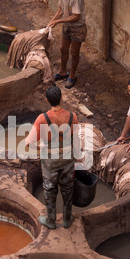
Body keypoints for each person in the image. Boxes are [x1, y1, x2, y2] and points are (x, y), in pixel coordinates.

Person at [25, 85, 81, 229]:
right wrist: (78, 155)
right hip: (68, 157)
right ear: (61, 98)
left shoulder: (42, 119)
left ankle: (51, 220)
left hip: (50, 160)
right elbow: (76, 139)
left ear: (47, 100)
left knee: (50, 189)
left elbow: (28, 143)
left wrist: (41, 148)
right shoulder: (72, 116)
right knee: (68, 187)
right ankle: (67, 218)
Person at [48, 0, 87, 89]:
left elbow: (76, 16)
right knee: (63, 49)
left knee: (74, 52)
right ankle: (62, 71)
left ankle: (72, 75)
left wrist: (58, 21)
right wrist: (52, 21)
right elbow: (60, 10)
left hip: (77, 29)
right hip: (67, 27)